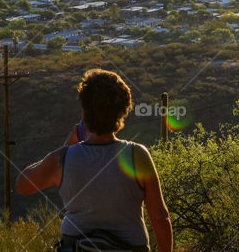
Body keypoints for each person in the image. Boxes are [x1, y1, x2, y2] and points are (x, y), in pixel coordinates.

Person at [16, 69, 173, 252]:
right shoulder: (137, 155)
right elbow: (160, 217)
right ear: (123, 113)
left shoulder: (63, 158)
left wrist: (66, 146)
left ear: (84, 113)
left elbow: (23, 185)